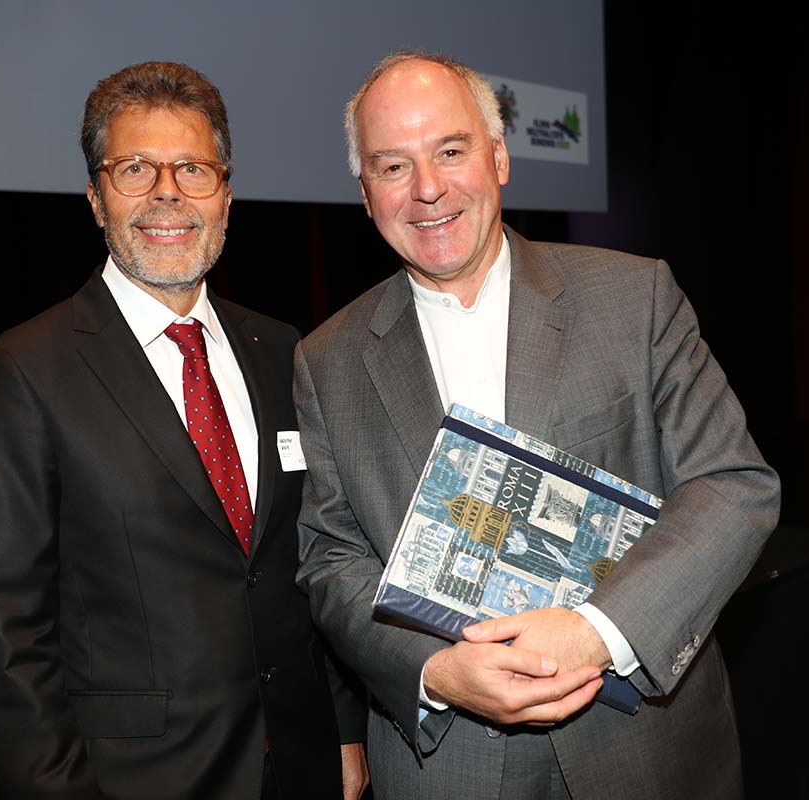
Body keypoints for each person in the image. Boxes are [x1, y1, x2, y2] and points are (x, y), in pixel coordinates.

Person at [293, 51, 781, 799]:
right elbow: (332, 559)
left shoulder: (634, 298)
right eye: (392, 166)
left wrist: (596, 630)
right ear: (365, 194)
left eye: (450, 151)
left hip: (642, 750)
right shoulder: (326, 358)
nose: (427, 189)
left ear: (498, 157)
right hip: (446, 765)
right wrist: (435, 670)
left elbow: (732, 484)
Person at [0, 61, 366, 800]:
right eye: (135, 169)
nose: (167, 192)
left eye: (192, 169)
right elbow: (6, 629)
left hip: (301, 760)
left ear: (226, 197)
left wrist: (343, 726)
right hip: (138, 780)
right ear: (95, 198)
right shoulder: (23, 372)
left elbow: (314, 554)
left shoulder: (281, 349)